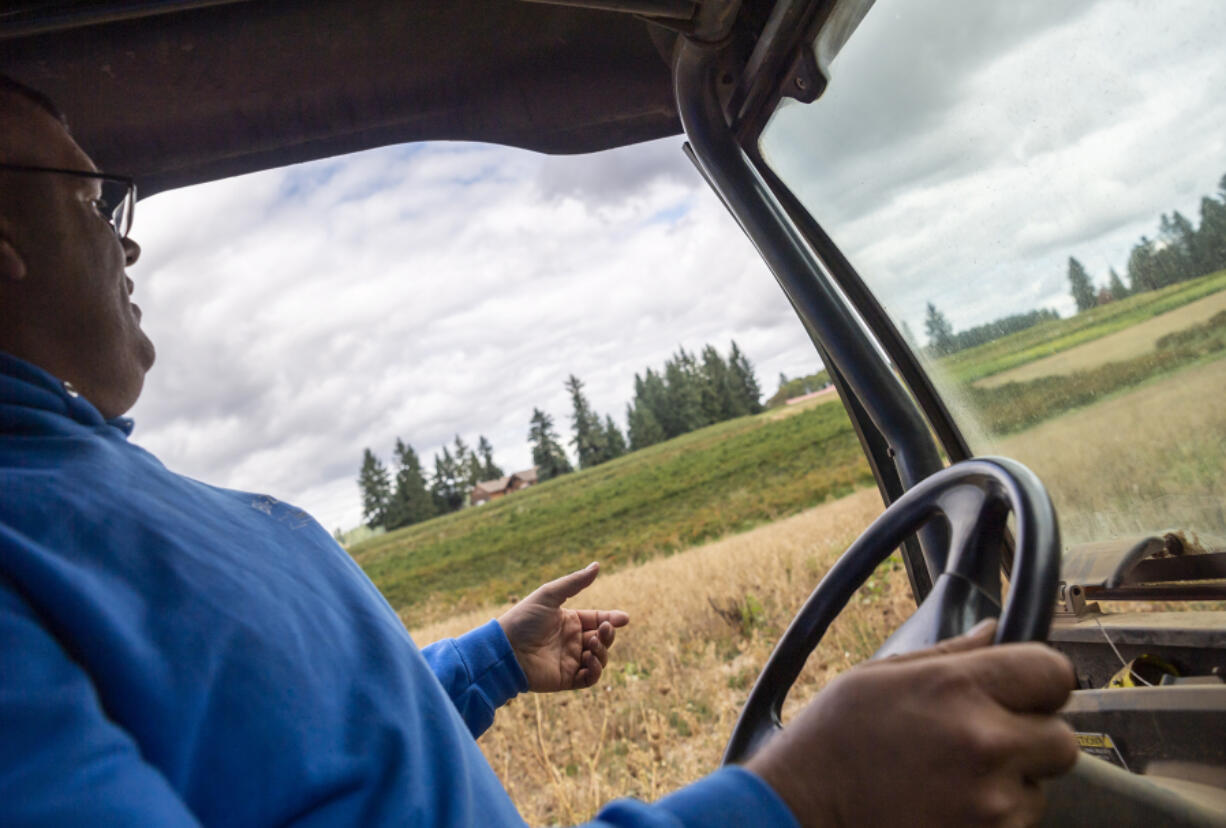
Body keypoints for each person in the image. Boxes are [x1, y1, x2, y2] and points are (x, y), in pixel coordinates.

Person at [0, 74, 1080, 827]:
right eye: (93, 197)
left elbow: (286, 751)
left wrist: (486, 663)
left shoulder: (76, 482)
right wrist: (804, 801)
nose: (123, 235)